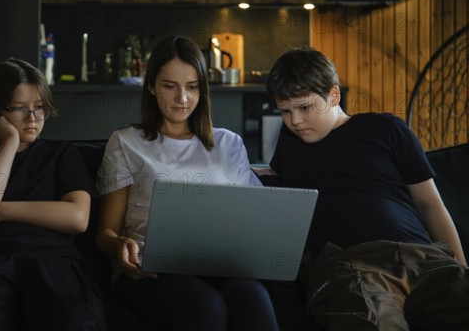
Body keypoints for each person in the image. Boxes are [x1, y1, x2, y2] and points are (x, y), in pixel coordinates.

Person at [265, 46, 469, 331]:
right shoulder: (290, 142)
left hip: (424, 258)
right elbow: (268, 187)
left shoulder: (387, 129)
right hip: (351, 266)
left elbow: (430, 204)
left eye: (304, 107)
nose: (295, 121)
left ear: (334, 95)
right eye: (285, 111)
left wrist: (460, 267)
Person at [95, 35, 280, 331]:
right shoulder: (126, 142)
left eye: (192, 87)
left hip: (220, 265)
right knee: (206, 307)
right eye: (170, 86)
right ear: (152, 86)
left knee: (252, 298)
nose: (182, 98)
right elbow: (105, 232)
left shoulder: (228, 143)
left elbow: (254, 221)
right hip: (149, 270)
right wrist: (120, 245)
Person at [0, 58, 107, 331]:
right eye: (19, 109)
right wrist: (10, 141)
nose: (33, 120)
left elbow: (77, 218)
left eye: (40, 109)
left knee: (79, 322)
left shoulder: (62, 154)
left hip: (54, 260)